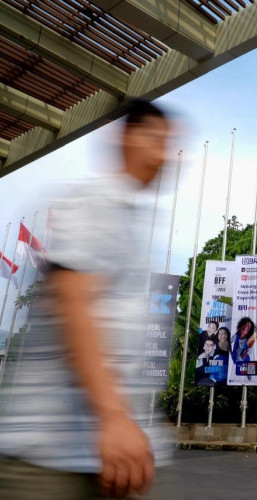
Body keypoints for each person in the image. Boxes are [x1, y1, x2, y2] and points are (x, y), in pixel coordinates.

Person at [0, 100, 173, 498]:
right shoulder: (97, 203)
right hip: (52, 457)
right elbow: (73, 304)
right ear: (128, 139)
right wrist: (113, 417)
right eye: (156, 140)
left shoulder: (129, 221)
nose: (164, 155)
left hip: (100, 457)